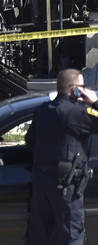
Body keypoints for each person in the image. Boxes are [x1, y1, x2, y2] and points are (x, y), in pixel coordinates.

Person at [25, 68, 98, 245]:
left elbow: (29, 140)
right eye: (83, 87)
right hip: (66, 186)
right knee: (71, 236)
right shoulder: (75, 113)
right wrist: (95, 102)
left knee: (41, 236)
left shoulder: (43, 110)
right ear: (75, 89)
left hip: (41, 183)